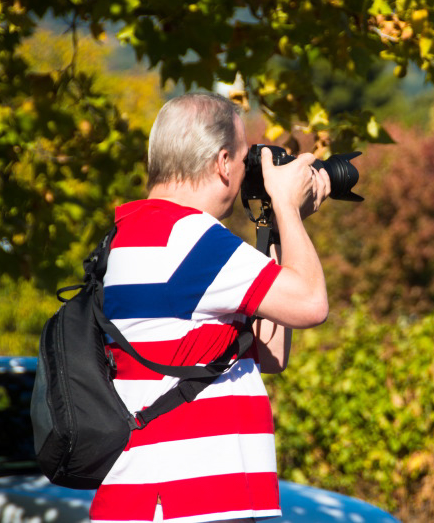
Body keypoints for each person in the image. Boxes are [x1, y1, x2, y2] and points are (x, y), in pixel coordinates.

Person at [88, 92, 331, 523]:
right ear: (222, 162)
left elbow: (269, 353)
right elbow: (311, 304)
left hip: (161, 499)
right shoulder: (190, 238)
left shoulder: (136, 233)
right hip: (185, 502)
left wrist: (276, 228)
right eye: (243, 159)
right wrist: (287, 206)